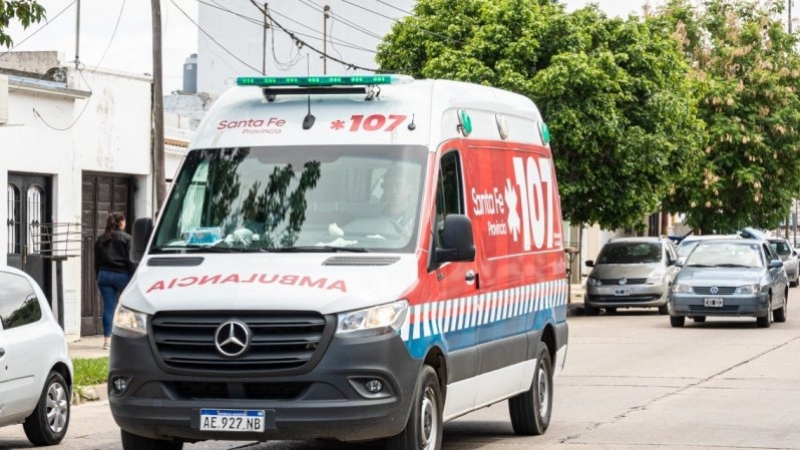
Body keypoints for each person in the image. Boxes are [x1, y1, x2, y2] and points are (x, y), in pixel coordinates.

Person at [94, 212, 134, 349]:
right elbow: (131, 261)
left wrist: (98, 275)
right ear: (122, 222)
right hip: (122, 276)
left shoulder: (100, 239)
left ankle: (107, 341)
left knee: (108, 308)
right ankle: (130, 338)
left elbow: (96, 261)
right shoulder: (127, 238)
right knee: (129, 306)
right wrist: (133, 277)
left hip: (104, 275)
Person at [380, 165, 415, 233]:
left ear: (409, 189)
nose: (394, 190)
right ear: (384, 190)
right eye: (389, 186)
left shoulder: (417, 221)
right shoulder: (378, 219)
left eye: (398, 185)